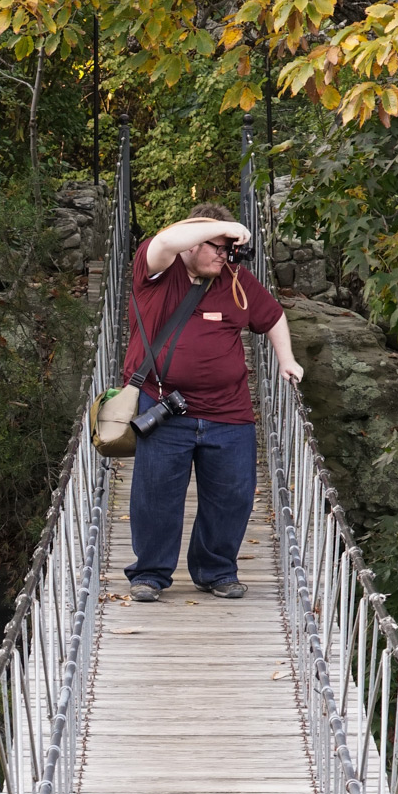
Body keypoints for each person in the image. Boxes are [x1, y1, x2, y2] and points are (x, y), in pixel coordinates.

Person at [120, 202, 304, 602]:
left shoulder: (235, 279)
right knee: (156, 495)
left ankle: (215, 570)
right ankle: (150, 574)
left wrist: (286, 359)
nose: (224, 254)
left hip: (229, 409)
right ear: (193, 242)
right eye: (215, 246)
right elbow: (168, 238)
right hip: (164, 406)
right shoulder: (158, 271)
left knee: (233, 494)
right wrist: (226, 225)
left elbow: (271, 317)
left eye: (228, 248)